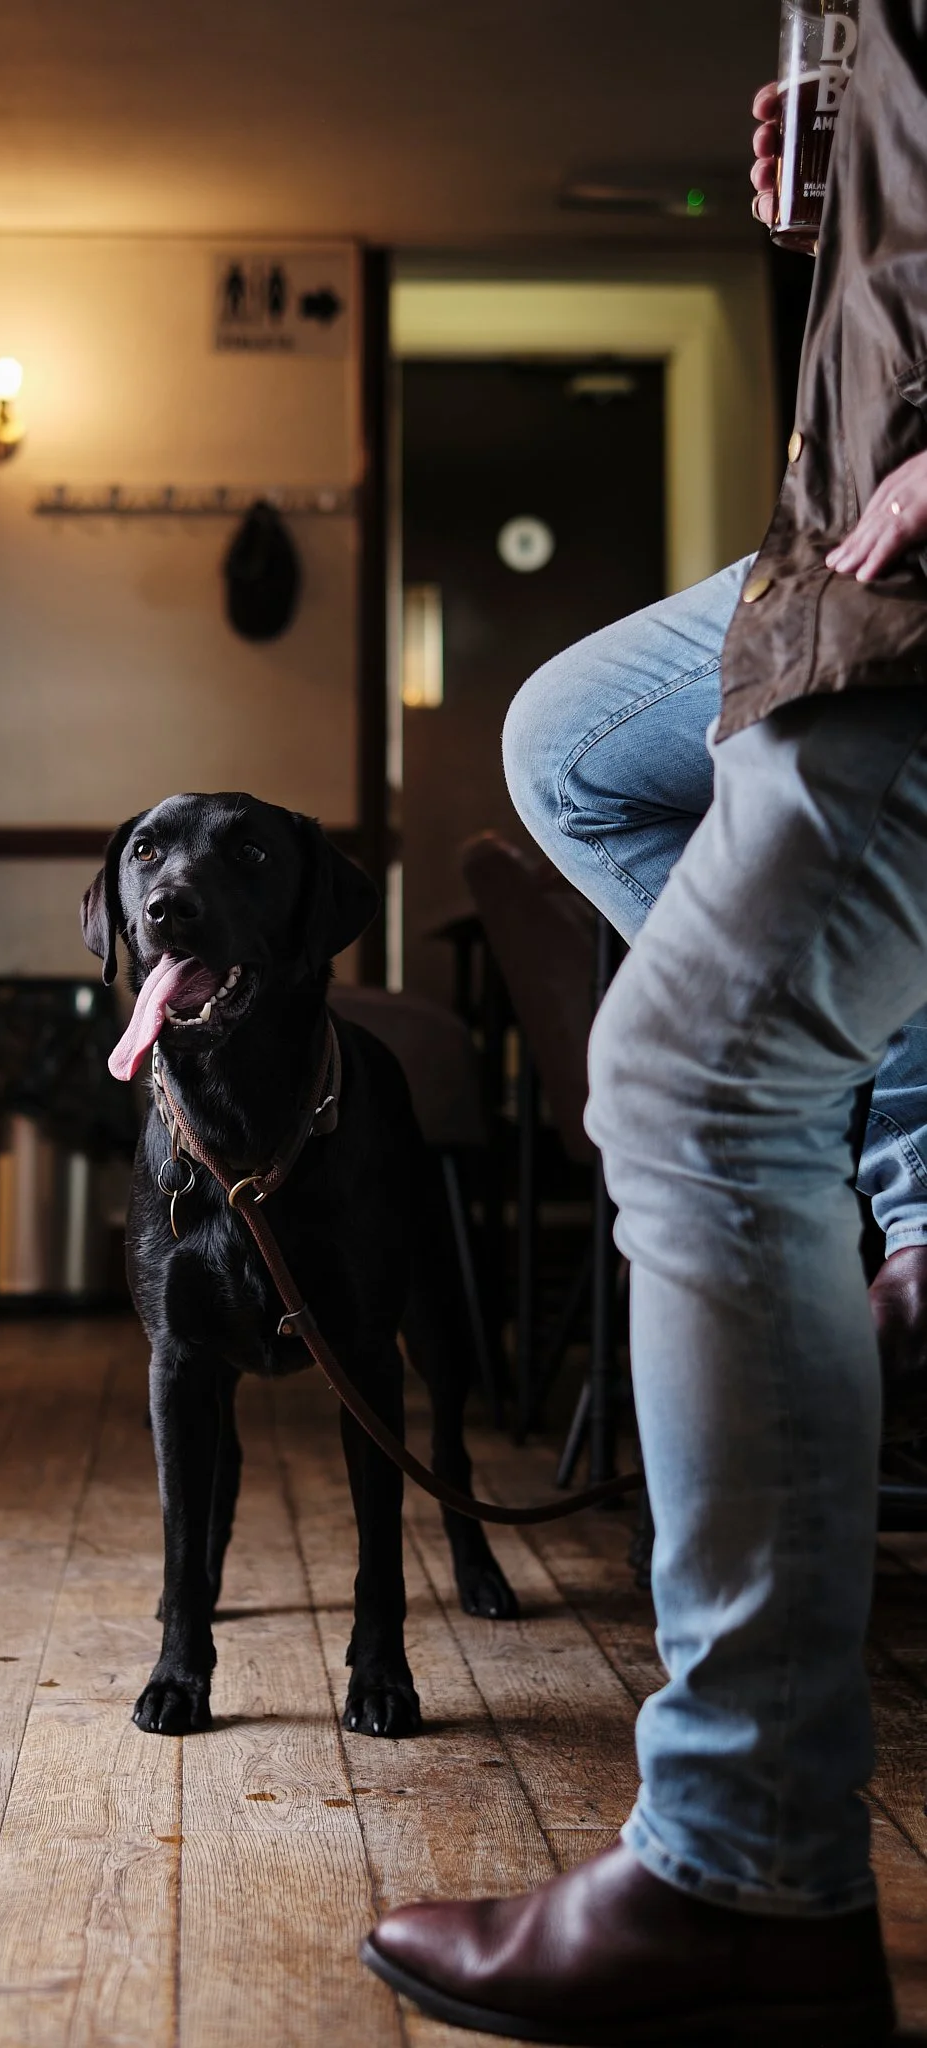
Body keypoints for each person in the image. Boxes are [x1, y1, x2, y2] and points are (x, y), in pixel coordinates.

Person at [362, 5, 927, 2041]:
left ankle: (744, 1870)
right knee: (573, 741)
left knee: (689, 1090)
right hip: (850, 491)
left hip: (918, 537)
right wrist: (846, 171)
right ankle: (911, 1172)